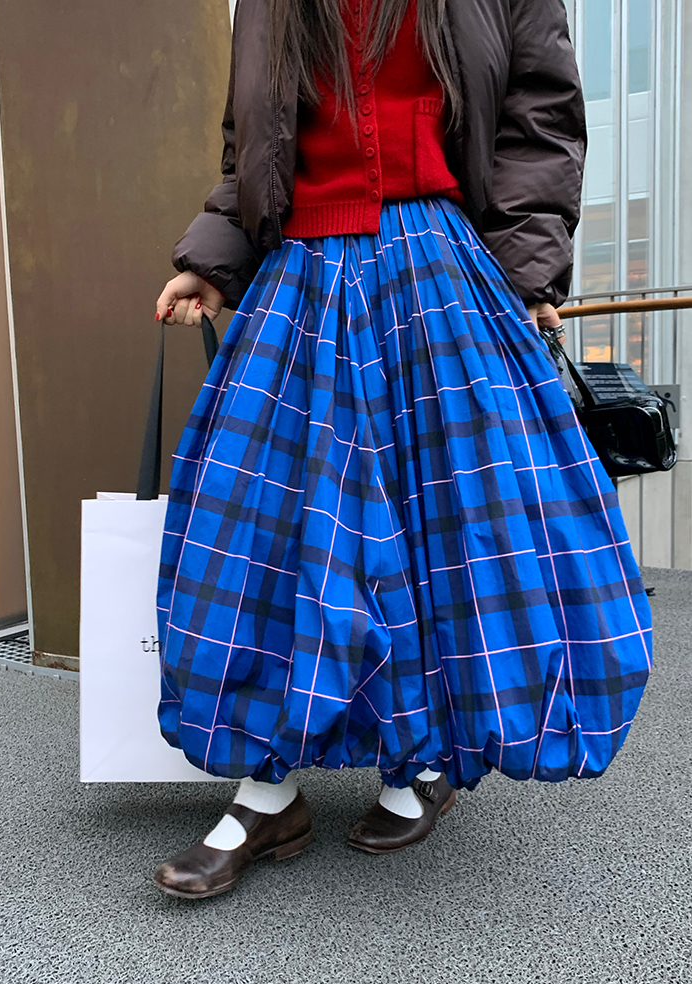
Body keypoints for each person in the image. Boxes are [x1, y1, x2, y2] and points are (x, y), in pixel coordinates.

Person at [151, 0, 652, 900]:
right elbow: (252, 146)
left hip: (439, 266)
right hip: (301, 271)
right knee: (267, 539)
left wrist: (527, 272)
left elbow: (540, 115)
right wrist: (212, 259)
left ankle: (419, 763)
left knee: (445, 536)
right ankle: (268, 791)